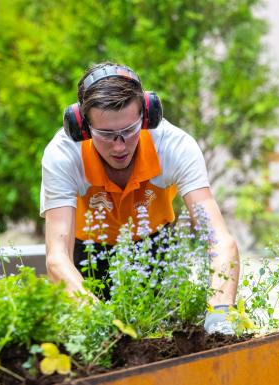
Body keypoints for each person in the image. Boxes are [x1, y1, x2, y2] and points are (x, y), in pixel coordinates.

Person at [40, 62, 239, 334]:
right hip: (88, 257)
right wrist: (96, 317)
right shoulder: (63, 154)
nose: (120, 145)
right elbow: (57, 257)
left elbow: (219, 239)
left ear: (147, 116)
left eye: (130, 130)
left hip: (156, 251)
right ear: (82, 127)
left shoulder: (173, 146)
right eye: (106, 135)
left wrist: (220, 312)